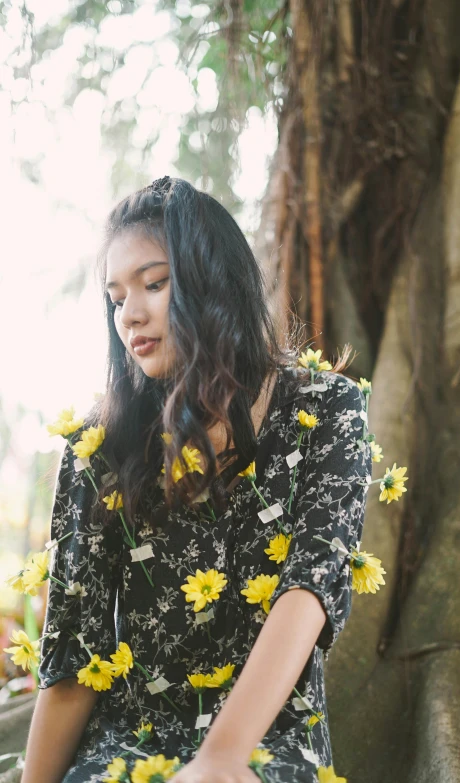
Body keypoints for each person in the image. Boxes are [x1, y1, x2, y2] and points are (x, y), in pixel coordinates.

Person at [21, 176, 373, 783]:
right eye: (115, 296)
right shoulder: (97, 448)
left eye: (155, 284)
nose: (129, 314)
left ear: (214, 281)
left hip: (270, 741)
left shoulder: (328, 411)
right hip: (127, 743)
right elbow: (74, 657)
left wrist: (220, 758)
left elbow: (309, 589)